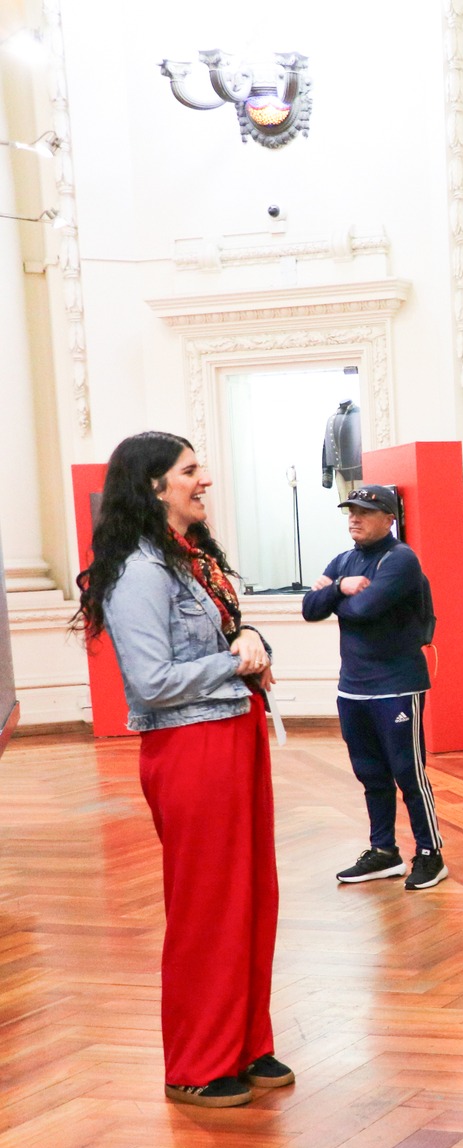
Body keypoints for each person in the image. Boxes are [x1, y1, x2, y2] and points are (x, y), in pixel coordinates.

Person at [78, 431, 292, 1108]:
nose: (204, 481)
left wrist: (251, 638)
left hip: (234, 734)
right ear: (153, 486)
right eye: (189, 471)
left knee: (252, 894)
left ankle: (245, 1041)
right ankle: (197, 1060)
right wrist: (238, 659)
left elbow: (229, 633)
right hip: (191, 747)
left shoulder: (191, 560)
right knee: (207, 906)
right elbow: (150, 679)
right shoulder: (140, 571)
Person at [303, 483, 447, 892]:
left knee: (408, 772)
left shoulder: (400, 560)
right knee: (370, 774)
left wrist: (332, 595)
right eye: (351, 511)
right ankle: (384, 851)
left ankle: (430, 854)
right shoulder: (345, 559)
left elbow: (366, 609)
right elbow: (309, 609)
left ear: (389, 519)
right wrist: (339, 589)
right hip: (353, 687)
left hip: (396, 684)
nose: (354, 518)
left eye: (365, 512)